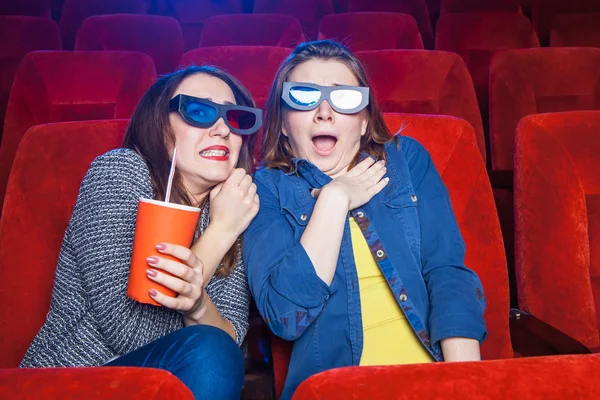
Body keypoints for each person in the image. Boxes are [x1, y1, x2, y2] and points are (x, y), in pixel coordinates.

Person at [243, 40, 487, 399]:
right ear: (282, 124)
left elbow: (446, 271)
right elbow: (286, 315)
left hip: (431, 378)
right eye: (305, 96)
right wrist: (335, 198)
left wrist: (467, 385)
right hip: (337, 388)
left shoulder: (406, 161)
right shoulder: (266, 190)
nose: (324, 112)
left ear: (362, 122)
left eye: (344, 98)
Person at [20, 66, 262, 400]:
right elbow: (133, 333)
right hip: (73, 382)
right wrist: (222, 231)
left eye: (234, 118)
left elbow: (230, 343)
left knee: (216, 353)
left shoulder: (233, 207)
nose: (222, 129)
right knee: (209, 352)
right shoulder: (120, 171)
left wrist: (198, 306)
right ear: (160, 125)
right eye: (199, 111)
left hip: (171, 385)